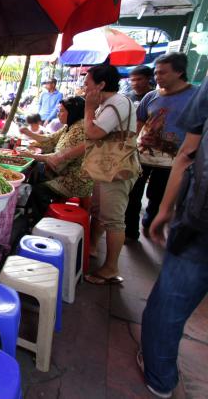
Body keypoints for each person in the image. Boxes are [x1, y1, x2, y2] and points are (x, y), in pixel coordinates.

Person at [138, 76, 208, 399]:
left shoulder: (200, 92)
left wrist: (166, 209)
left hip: (200, 219)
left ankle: (160, 377)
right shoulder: (151, 97)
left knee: (172, 298)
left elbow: (187, 153)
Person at [124, 53, 198, 240]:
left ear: (179, 72)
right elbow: (139, 123)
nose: (158, 77)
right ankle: (130, 232)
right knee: (132, 195)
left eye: (163, 73)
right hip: (142, 156)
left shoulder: (195, 97)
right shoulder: (151, 96)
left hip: (172, 162)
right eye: (156, 73)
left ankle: (150, 225)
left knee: (156, 197)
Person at [82, 65, 138, 285]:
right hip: (105, 168)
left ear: (101, 85)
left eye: (87, 83)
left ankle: (111, 268)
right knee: (98, 210)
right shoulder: (108, 104)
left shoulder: (118, 103)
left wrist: (88, 109)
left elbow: (94, 132)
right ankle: (94, 247)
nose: (84, 87)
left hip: (116, 170)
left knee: (113, 220)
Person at [21, 97, 92, 219]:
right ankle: (37, 212)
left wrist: (33, 156)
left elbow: (59, 157)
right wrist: (28, 133)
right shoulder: (70, 125)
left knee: (39, 189)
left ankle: (43, 219)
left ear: (73, 111)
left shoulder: (79, 130)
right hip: (67, 172)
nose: (58, 114)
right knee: (37, 174)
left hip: (76, 179)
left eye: (62, 111)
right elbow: (51, 139)